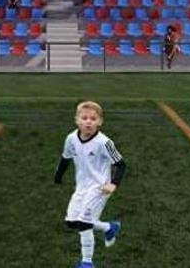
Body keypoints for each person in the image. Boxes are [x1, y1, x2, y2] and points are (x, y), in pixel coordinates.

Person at [55, 101, 126, 268]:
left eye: (93, 119)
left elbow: (121, 164)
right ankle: (109, 227)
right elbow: (66, 158)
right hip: (82, 187)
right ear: (77, 120)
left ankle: (87, 263)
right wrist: (58, 175)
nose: (88, 121)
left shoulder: (104, 142)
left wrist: (113, 184)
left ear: (100, 121)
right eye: (84, 118)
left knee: (85, 223)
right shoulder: (71, 138)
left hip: (100, 187)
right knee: (72, 222)